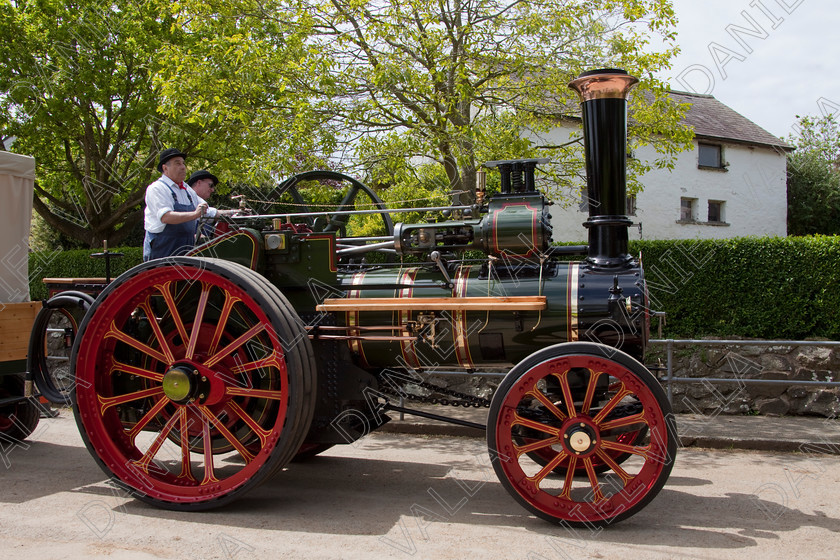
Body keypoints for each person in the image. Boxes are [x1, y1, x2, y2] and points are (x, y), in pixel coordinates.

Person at [143, 148, 213, 261]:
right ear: (165, 168)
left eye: (183, 163)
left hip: (186, 248)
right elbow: (166, 217)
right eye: (177, 163)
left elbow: (206, 210)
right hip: (163, 250)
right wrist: (195, 214)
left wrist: (232, 213)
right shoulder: (157, 188)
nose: (183, 167)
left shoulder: (187, 190)